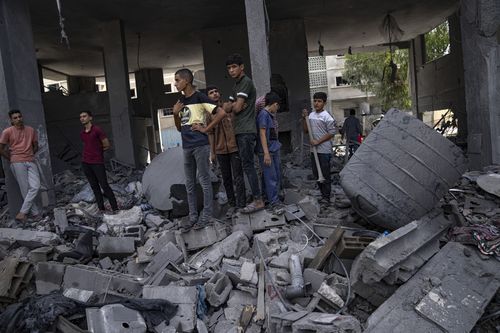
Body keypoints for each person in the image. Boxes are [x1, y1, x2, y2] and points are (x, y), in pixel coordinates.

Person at [172, 68, 225, 229]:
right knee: (189, 184)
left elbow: (221, 113)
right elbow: (180, 128)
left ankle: (206, 216)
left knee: (204, 181)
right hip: (186, 146)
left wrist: (206, 129)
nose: (175, 84)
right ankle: (193, 216)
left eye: (177, 80)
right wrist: (175, 114)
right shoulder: (180, 102)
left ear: (186, 81)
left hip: (200, 146)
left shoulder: (201, 97)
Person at [223, 53, 264, 214]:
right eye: (229, 68)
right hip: (240, 131)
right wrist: (233, 105)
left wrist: (233, 105)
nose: (231, 70)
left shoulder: (246, 83)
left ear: (242, 67)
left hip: (246, 130)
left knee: (248, 166)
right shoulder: (236, 86)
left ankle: (258, 200)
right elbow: (227, 108)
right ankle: (255, 198)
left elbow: (236, 108)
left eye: (234, 67)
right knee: (245, 167)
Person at [206, 85, 246, 210]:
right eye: (211, 92)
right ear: (208, 97)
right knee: (227, 179)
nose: (214, 94)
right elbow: (210, 134)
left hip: (234, 148)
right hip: (220, 150)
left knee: (238, 177)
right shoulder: (208, 114)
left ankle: (241, 204)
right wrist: (212, 153)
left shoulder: (228, 107)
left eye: (216, 91)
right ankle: (232, 204)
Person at [0, 110, 41, 221]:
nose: (18, 119)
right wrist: (11, 158)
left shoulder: (31, 130)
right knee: (25, 189)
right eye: (15, 118)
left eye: (19, 116)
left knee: (36, 186)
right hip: (17, 162)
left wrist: (32, 152)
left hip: (30, 160)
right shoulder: (7, 132)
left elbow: (35, 144)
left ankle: (22, 212)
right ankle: (36, 214)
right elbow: (1, 148)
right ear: (11, 120)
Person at [79, 110, 119, 213]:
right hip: (86, 163)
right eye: (81, 117)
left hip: (97, 162)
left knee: (104, 185)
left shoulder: (97, 130)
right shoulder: (82, 133)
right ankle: (101, 209)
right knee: (94, 187)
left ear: (90, 118)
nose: (82, 118)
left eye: (84, 116)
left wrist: (97, 152)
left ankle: (115, 208)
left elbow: (106, 144)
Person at [302, 92, 336, 209]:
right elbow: (306, 130)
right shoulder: (310, 115)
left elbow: (332, 133)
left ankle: (326, 197)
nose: (316, 103)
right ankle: (323, 195)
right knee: (317, 174)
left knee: (325, 174)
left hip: (324, 150)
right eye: (315, 100)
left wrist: (318, 141)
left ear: (324, 103)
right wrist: (304, 118)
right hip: (314, 151)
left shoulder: (327, 116)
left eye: (319, 101)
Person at [256, 92, 284, 215]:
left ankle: (270, 199)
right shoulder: (263, 115)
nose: (276, 109)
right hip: (268, 151)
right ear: (275, 104)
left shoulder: (268, 115)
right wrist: (266, 153)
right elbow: (262, 134)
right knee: (271, 177)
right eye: (277, 107)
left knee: (274, 175)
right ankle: (274, 202)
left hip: (273, 149)